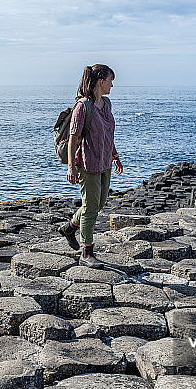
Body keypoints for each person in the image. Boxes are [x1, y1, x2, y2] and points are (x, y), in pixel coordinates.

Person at [58, 64, 123, 268]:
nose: (112, 85)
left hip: (104, 162)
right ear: (101, 81)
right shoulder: (83, 106)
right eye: (110, 80)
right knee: (91, 208)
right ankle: (87, 253)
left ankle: (69, 228)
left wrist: (115, 156)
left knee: (98, 204)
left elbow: (107, 133)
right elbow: (73, 138)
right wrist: (71, 167)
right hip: (87, 164)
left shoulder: (107, 104)